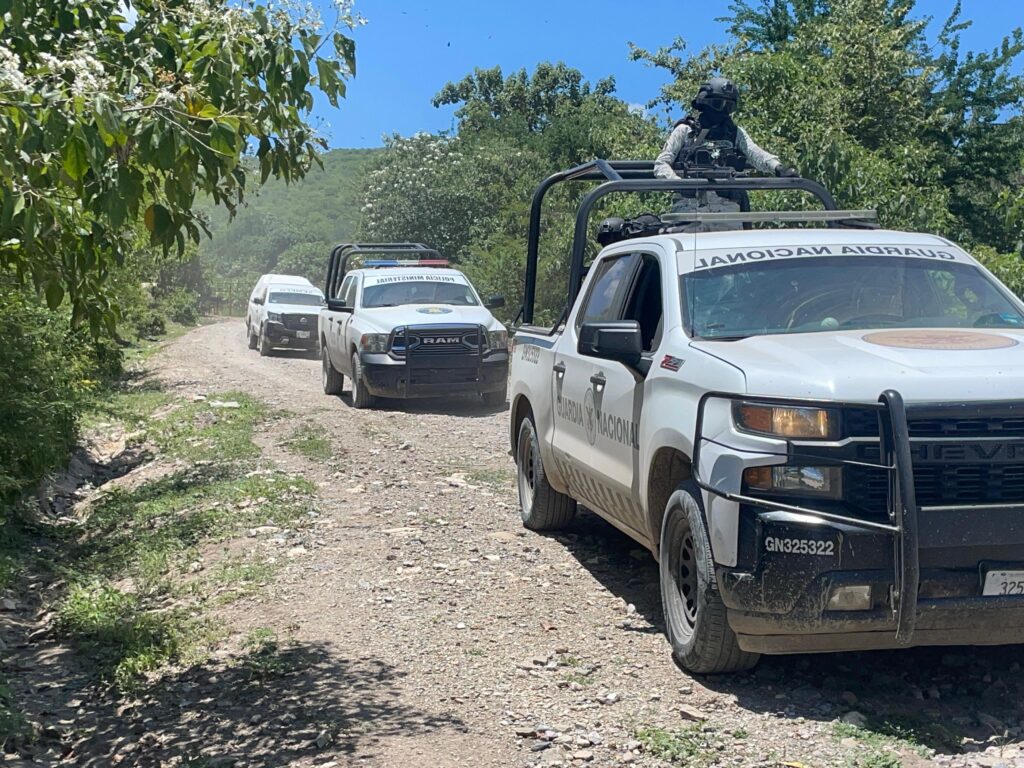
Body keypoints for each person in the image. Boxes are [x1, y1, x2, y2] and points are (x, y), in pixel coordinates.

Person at [654, 77, 798, 227]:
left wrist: (778, 168)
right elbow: (661, 164)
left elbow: (756, 153)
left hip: (727, 210)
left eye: (729, 106)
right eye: (719, 104)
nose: (724, 111)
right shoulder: (685, 130)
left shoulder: (735, 133)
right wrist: (682, 184)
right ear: (705, 102)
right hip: (688, 208)